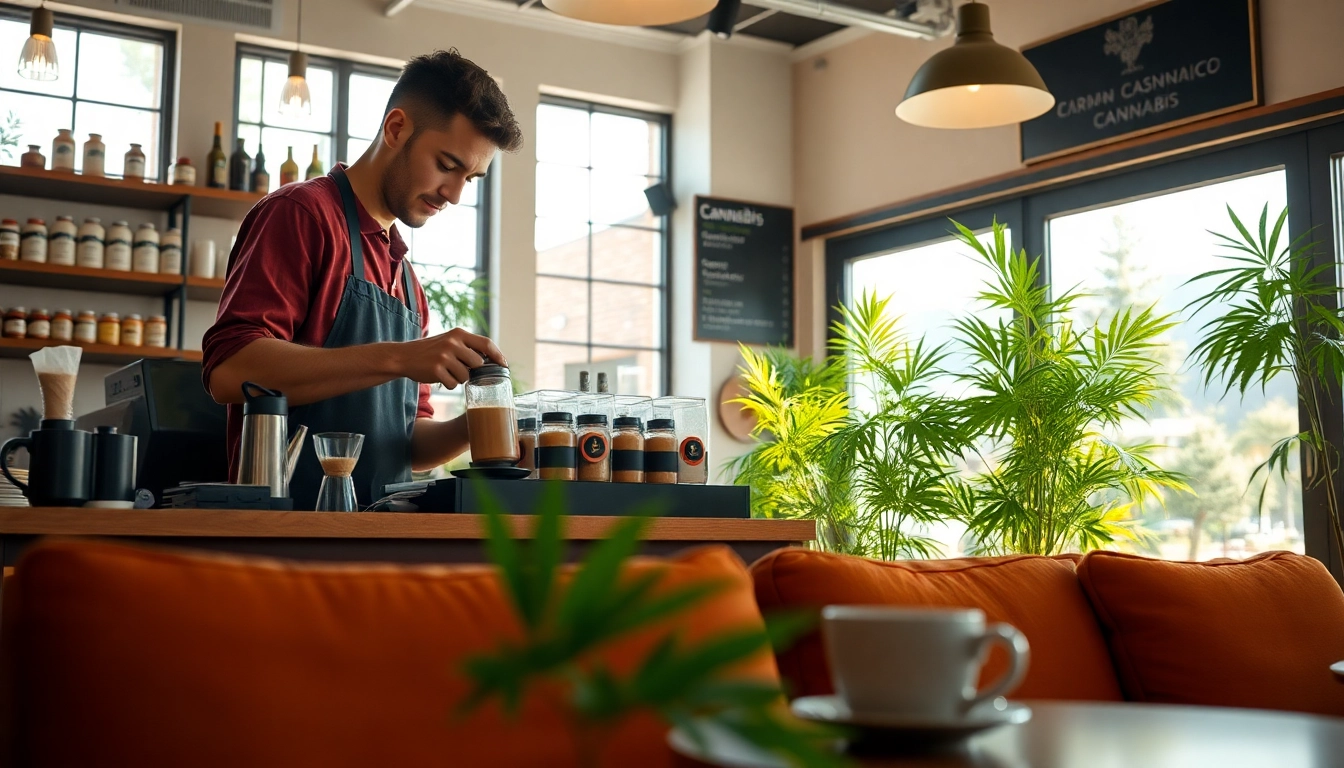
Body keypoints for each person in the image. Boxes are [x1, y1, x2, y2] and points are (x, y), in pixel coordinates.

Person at [203, 49, 523, 510]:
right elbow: (229, 372)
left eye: (469, 179)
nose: (453, 194)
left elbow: (408, 446)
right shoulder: (301, 215)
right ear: (397, 129)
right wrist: (399, 358)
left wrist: (484, 422)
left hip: (378, 539)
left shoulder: (408, 282)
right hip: (287, 536)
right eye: (448, 165)